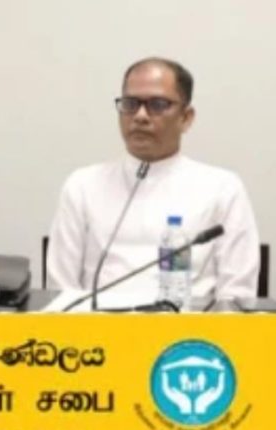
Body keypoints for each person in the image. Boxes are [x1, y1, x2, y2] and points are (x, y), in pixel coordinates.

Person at [47, 57, 259, 301]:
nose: (140, 116)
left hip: (188, 324)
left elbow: (237, 296)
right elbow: (60, 289)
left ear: (186, 117)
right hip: (97, 323)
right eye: (130, 104)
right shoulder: (83, 185)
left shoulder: (223, 188)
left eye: (157, 105)